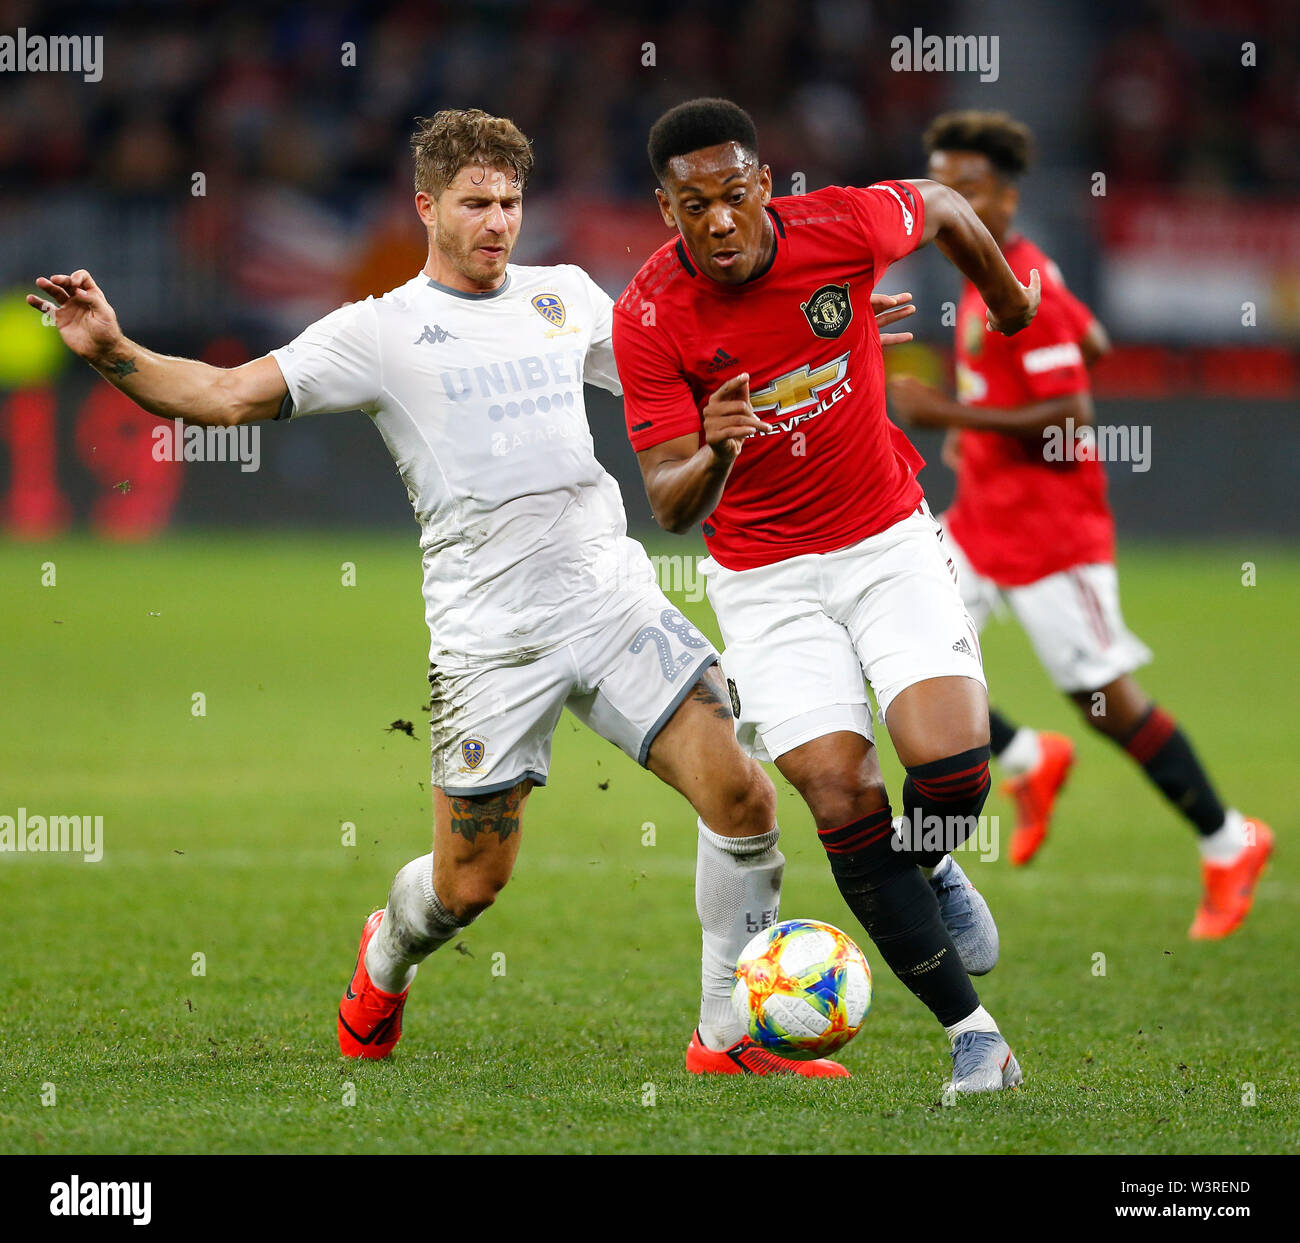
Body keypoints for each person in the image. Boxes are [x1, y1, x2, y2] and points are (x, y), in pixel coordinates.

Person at [32, 108, 855, 1077]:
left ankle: (724, 1037)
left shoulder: (566, 297)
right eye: (475, 204)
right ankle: (387, 951)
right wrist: (113, 351)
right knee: (469, 886)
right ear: (426, 207)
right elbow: (225, 397)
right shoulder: (380, 334)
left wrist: (820, 332)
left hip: (610, 599)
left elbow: (692, 359)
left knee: (742, 793)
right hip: (489, 641)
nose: (497, 222)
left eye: (510, 202)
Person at [613, 97, 1042, 1092]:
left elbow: (939, 203)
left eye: (731, 195)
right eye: (692, 205)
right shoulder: (648, 317)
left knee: (952, 772)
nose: (716, 220)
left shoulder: (840, 229)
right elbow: (671, 503)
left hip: (886, 540)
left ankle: (933, 862)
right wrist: (716, 446)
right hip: (763, 581)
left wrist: (1007, 299)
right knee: (838, 793)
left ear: (763, 184)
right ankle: (974, 1038)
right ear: (664, 208)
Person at [887, 110, 1272, 939]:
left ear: (1008, 195)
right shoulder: (981, 270)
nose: (948, 197)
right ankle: (1027, 756)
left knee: (1106, 703)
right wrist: (983, 414)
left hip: (1053, 537)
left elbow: (1072, 413)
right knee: (899, 652)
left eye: (969, 186)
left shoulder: (1025, 282)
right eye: (939, 181)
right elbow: (1090, 337)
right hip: (982, 521)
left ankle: (1228, 837)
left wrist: (948, 411)